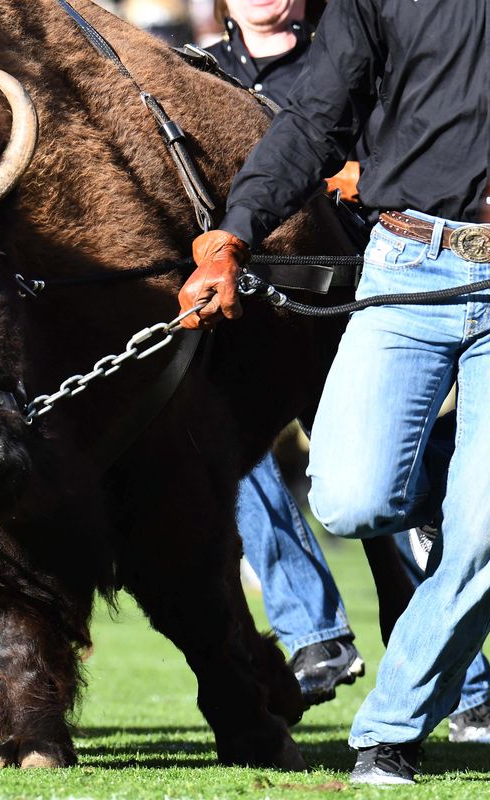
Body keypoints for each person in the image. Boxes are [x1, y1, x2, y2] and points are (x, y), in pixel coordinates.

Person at [179, 0, 490, 784]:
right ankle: (467, 484)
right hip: (410, 259)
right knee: (351, 499)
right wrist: (234, 231)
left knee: (483, 535)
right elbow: (316, 115)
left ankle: (392, 730)